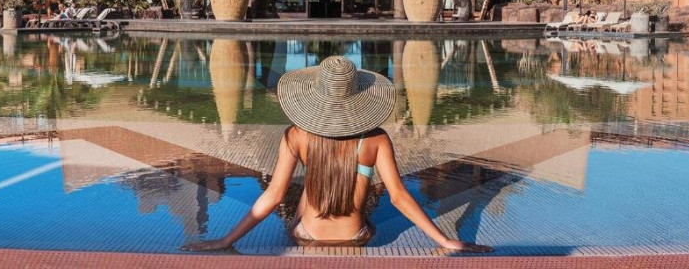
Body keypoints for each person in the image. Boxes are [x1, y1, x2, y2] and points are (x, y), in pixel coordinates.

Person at [182, 56, 493, 253]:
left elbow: (274, 196)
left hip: (306, 235)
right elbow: (399, 197)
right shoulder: (375, 139)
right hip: (358, 236)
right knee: (357, 191)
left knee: (309, 185)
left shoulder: (296, 136)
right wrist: (444, 241)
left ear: (316, 97)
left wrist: (226, 240)